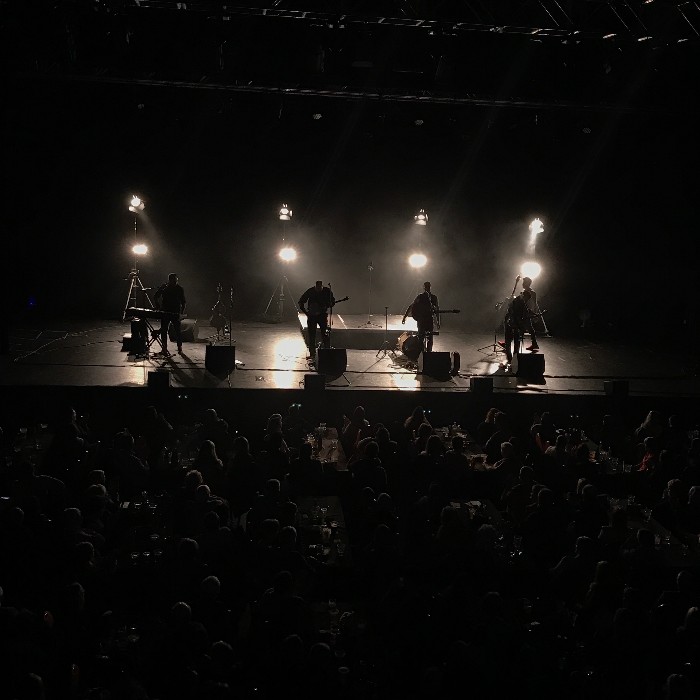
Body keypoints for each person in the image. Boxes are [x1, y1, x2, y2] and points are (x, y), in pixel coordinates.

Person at [298, 281, 335, 357]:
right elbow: (301, 302)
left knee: (324, 333)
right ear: (315, 287)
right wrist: (307, 313)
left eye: (320, 288)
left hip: (322, 315)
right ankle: (312, 353)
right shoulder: (310, 291)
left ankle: (326, 352)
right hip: (312, 316)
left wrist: (330, 304)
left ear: (322, 286)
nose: (318, 290)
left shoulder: (327, 291)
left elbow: (333, 301)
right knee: (311, 334)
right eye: (317, 288)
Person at [154, 273, 186, 356]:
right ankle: (164, 348)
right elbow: (156, 296)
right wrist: (157, 304)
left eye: (176, 280)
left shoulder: (179, 289)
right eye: (174, 280)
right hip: (165, 312)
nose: (176, 281)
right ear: (170, 280)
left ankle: (180, 348)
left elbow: (183, 302)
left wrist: (181, 313)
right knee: (164, 331)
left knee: (178, 331)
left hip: (175, 313)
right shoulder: (165, 288)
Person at [402, 281, 439, 352]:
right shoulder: (422, 296)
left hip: (425, 320)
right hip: (424, 320)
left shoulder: (430, 297)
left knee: (427, 338)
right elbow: (412, 306)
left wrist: (438, 321)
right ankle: (423, 354)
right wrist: (438, 321)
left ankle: (426, 354)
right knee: (424, 338)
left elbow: (437, 310)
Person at [501, 290, 532, 364]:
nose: (526, 300)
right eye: (526, 298)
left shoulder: (521, 302)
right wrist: (519, 324)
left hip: (514, 324)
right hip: (511, 323)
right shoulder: (517, 301)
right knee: (510, 342)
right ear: (524, 296)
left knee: (515, 342)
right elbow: (513, 313)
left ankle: (513, 359)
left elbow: (523, 313)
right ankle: (512, 359)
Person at [520, 276, 540, 351]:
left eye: (524, 282)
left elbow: (534, 304)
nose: (522, 284)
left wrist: (534, 314)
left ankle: (510, 342)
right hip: (526, 312)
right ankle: (534, 343)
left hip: (527, 312)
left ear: (527, 283)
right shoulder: (526, 292)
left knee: (522, 327)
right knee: (529, 328)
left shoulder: (530, 293)